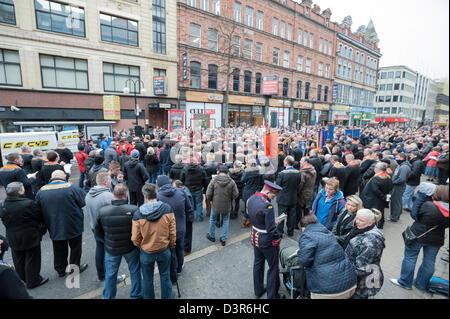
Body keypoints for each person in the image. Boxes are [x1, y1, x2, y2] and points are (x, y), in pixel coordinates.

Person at [390, 185, 449, 292]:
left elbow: (414, 214)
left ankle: (405, 282)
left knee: (410, 258)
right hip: (437, 239)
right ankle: (421, 285)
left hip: (418, 235)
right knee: (429, 261)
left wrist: (421, 196)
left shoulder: (428, 205)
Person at [35, 170, 88, 277]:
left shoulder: (41, 190)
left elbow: (38, 208)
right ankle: (73, 268)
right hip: (73, 222)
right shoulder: (71, 187)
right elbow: (83, 201)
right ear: (63, 177)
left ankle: (61, 269)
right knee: (75, 247)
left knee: (58, 247)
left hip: (53, 223)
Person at [95, 183, 142, 299]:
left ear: (113, 194)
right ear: (126, 195)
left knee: (110, 274)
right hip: (130, 247)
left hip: (112, 248)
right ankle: (136, 295)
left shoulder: (103, 211)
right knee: (135, 271)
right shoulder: (134, 209)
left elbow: (98, 232)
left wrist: (106, 241)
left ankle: (108, 297)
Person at [132, 183, 176, 299]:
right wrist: (171, 244)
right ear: (156, 194)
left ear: (145, 196)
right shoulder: (167, 209)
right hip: (164, 249)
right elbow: (172, 232)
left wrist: (141, 245)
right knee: (165, 276)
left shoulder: (138, 214)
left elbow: (135, 238)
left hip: (147, 251)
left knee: (147, 279)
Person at [0, 182, 48, 289]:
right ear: (19, 191)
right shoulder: (29, 203)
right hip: (29, 235)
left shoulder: (3, 205)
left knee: (18, 259)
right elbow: (39, 217)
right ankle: (33, 281)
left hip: (12, 236)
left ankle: (22, 280)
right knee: (32, 259)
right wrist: (41, 230)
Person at [297, 214, 357, 299]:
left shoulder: (307, 235)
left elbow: (304, 261)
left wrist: (299, 253)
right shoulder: (328, 233)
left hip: (327, 291)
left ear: (304, 227)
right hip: (349, 284)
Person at [247, 181, 284, 299]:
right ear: (268, 192)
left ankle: (258, 290)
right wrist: (277, 238)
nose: (273, 198)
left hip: (255, 235)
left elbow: (253, 216)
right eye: (273, 195)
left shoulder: (251, 198)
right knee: (273, 267)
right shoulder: (267, 206)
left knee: (258, 263)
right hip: (266, 240)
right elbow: (271, 229)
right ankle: (273, 296)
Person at [345, 209, 385, 299]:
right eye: (357, 218)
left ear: (370, 223)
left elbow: (361, 268)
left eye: (361, 220)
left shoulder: (371, 242)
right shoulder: (360, 229)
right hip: (355, 278)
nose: (357, 222)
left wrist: (343, 274)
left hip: (363, 284)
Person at [157, 175, 192, 273]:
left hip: (167, 231)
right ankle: (180, 268)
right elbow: (189, 208)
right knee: (180, 249)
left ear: (159, 186)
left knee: (171, 251)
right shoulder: (181, 192)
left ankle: (173, 270)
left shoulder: (158, 197)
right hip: (181, 228)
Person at [85, 172, 115, 282]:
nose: (111, 182)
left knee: (99, 250)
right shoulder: (108, 196)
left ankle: (101, 274)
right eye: (110, 180)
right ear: (105, 182)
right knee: (110, 254)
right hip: (106, 229)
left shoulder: (89, 194)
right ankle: (111, 277)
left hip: (95, 227)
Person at [206, 166, 239, 246]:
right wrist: (230, 198)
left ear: (219, 172)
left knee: (213, 219)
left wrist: (210, 200)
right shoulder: (231, 181)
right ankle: (223, 239)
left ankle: (211, 236)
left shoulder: (214, 180)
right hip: (227, 205)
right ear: (227, 173)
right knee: (226, 220)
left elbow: (208, 194)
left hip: (215, 204)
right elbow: (236, 194)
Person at [360, 162, 393, 229]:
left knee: (373, 212)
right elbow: (390, 187)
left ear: (378, 169)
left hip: (373, 199)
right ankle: (380, 224)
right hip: (380, 199)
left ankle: (374, 225)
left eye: (375, 167)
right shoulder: (387, 176)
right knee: (380, 211)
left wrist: (383, 197)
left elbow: (375, 190)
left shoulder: (377, 178)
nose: (374, 168)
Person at [276, 156, 301, 237]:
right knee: (291, 216)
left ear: (286, 163)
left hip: (283, 198)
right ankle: (290, 232)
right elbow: (298, 184)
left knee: (281, 216)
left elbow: (277, 185)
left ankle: (280, 232)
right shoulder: (298, 173)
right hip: (293, 197)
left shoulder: (282, 173)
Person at [180, 155, 208, 222]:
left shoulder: (185, 169)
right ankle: (199, 217)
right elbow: (205, 179)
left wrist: (183, 186)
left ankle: (191, 217)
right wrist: (205, 188)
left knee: (190, 203)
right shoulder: (201, 168)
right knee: (199, 203)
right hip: (198, 188)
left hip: (188, 188)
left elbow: (181, 179)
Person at [173, 180, 195, 256]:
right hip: (186, 216)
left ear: (179, 187)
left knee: (188, 234)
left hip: (188, 217)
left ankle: (187, 249)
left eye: (174, 187)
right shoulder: (184, 190)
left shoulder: (186, 194)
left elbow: (188, 208)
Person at [241, 159, 264, 228]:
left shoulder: (247, 172)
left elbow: (242, 180)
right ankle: (250, 222)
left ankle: (244, 222)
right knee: (253, 208)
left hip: (247, 191)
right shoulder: (260, 172)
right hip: (255, 192)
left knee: (246, 207)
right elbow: (262, 183)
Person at [389, 153, 411, 222]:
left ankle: (394, 217)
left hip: (398, 187)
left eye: (397, 157)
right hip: (398, 186)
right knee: (397, 201)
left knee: (396, 202)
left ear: (402, 158)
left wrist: (393, 182)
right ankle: (395, 216)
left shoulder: (404, 167)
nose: (396, 159)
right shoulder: (403, 165)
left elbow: (402, 179)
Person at [296, 157, 316, 226]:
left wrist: (297, 192)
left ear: (306, 162)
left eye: (301, 161)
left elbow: (300, 185)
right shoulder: (313, 170)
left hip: (302, 194)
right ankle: (306, 223)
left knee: (299, 210)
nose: (300, 162)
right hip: (309, 192)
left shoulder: (303, 172)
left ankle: (299, 224)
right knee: (306, 209)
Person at [203, 152, 219, 218]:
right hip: (216, 182)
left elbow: (203, 176)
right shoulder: (217, 165)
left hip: (207, 183)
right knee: (216, 197)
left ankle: (208, 212)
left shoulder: (205, 166)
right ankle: (216, 211)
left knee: (207, 198)